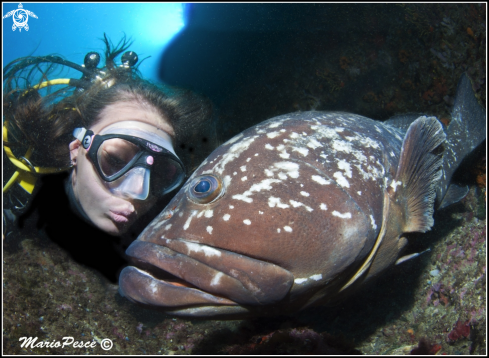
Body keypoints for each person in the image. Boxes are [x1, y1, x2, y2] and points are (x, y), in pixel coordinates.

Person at [3, 35, 217, 280]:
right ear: (76, 149)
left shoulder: (163, 217)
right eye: (115, 159)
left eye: (159, 174)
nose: (138, 192)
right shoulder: (14, 186)